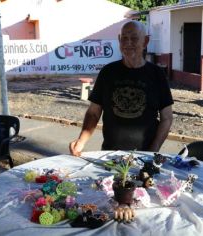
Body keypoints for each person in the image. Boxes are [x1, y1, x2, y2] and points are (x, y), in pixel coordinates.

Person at [69, 20, 173, 156]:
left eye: (134, 38)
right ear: (119, 40)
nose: (128, 43)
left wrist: (153, 151)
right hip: (110, 155)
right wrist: (81, 141)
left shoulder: (157, 74)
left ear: (145, 42)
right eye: (124, 38)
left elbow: (167, 118)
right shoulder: (108, 72)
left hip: (145, 155)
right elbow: (93, 113)